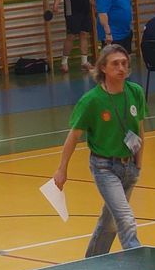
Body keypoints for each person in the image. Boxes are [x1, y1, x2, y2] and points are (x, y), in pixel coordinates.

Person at [52, 45, 147, 257]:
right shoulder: (92, 100)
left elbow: (140, 129)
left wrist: (138, 164)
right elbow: (74, 136)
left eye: (124, 63)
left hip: (129, 166)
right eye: (115, 64)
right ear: (103, 67)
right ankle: (138, 260)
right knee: (125, 218)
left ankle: (92, 261)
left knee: (110, 222)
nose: (121, 68)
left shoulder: (135, 92)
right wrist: (62, 169)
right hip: (105, 167)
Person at [50, 0, 95, 73]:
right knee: (71, 36)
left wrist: (92, 3)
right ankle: (64, 62)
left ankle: (84, 62)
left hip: (85, 10)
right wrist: (55, 4)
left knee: (84, 34)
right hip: (73, 11)